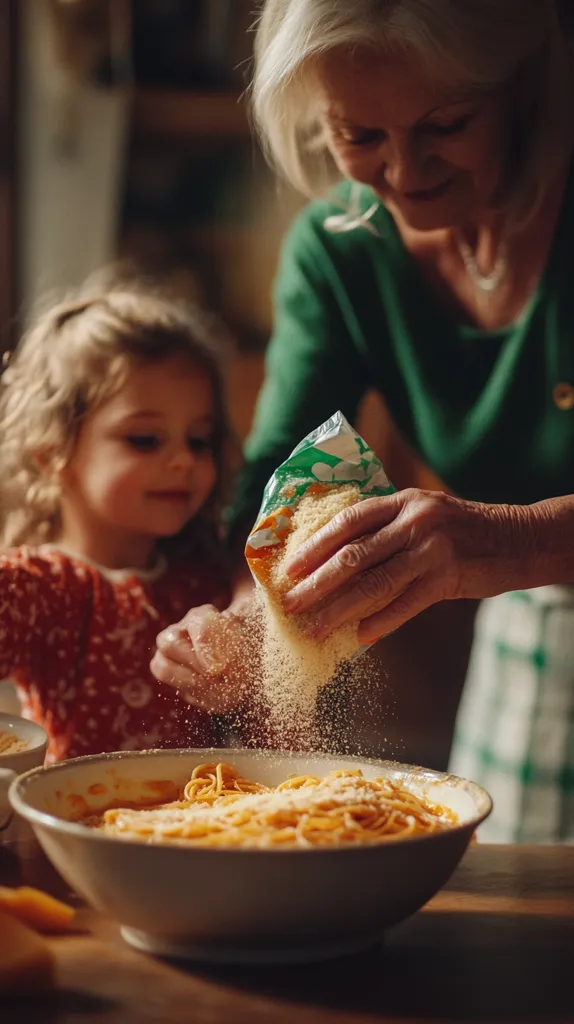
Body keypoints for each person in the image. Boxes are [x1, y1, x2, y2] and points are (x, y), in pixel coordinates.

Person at [152, 0, 574, 842]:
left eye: (446, 124)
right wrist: (241, 624)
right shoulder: (345, 252)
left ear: (523, 86)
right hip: (536, 638)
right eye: (359, 135)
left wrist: (517, 538)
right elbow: (278, 483)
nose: (405, 172)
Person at [0, 284, 255, 763]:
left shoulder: (210, 580)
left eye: (199, 441)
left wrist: (244, 686)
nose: (182, 459)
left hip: (199, 826)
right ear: (53, 451)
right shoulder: (40, 589)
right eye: (145, 439)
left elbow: (273, 725)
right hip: (74, 829)